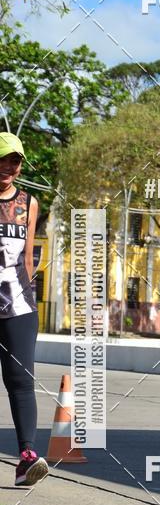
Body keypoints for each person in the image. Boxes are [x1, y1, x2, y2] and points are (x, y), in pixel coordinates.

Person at [0, 132, 48, 486]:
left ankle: (27, 457)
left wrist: (30, 300)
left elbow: (29, 254)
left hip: (17, 304)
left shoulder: (28, 203)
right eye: (3, 158)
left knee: (21, 381)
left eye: (15, 160)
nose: (9, 166)